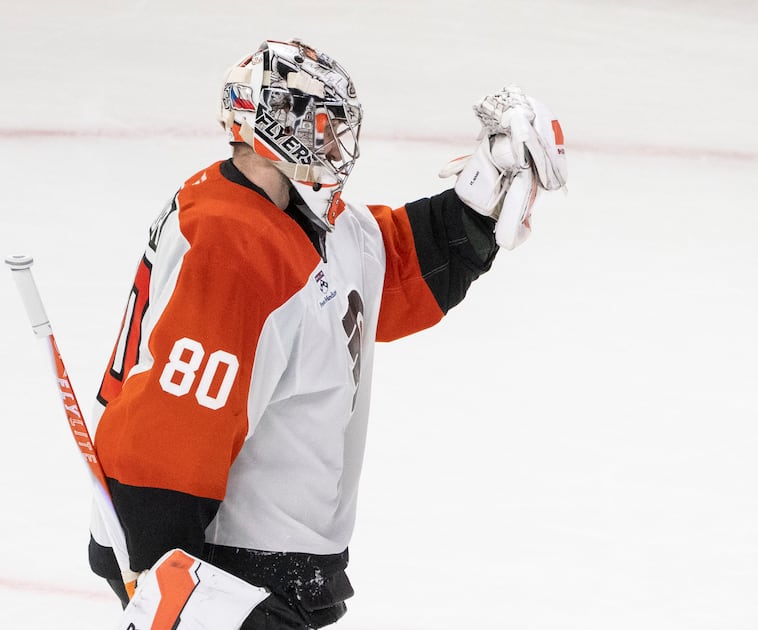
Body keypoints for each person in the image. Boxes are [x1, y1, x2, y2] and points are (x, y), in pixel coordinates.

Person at [86, 38, 566, 628]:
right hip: (223, 574)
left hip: (263, 573)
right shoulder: (230, 245)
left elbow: (381, 274)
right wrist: (177, 591)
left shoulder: (299, 214)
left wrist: (479, 199)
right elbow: (163, 441)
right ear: (273, 131)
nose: (339, 148)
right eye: (322, 129)